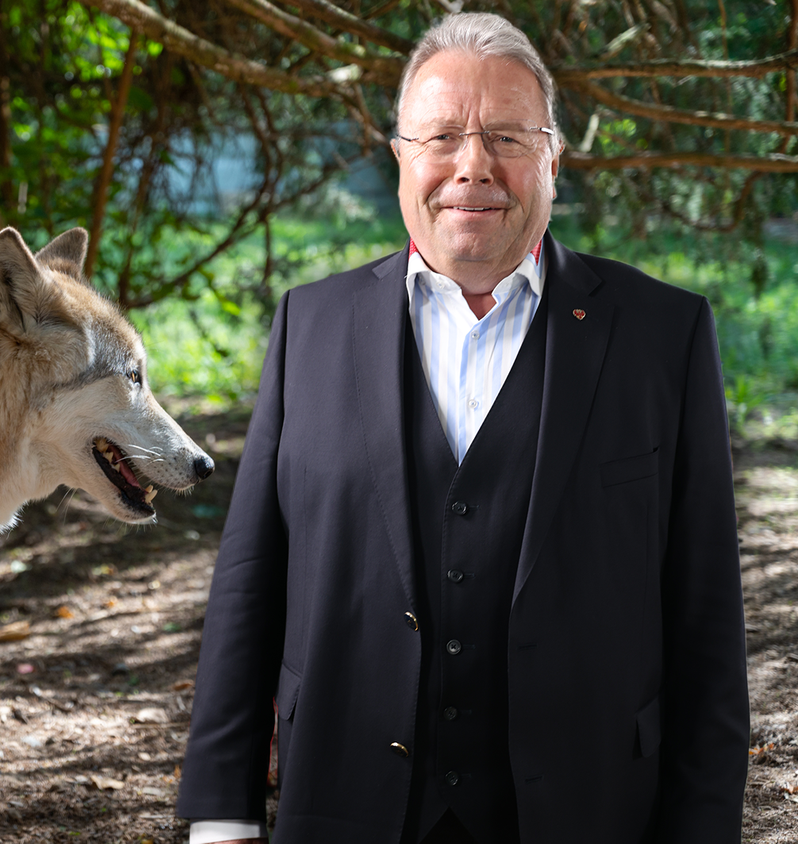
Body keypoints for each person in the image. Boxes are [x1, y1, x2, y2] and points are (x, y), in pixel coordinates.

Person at [175, 12, 749, 844]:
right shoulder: (312, 325)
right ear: (401, 156)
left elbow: (704, 618)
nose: (472, 165)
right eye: (442, 135)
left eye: (508, 137)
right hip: (343, 804)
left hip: (588, 811)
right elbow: (250, 585)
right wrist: (222, 815)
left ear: (553, 158)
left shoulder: (665, 336)